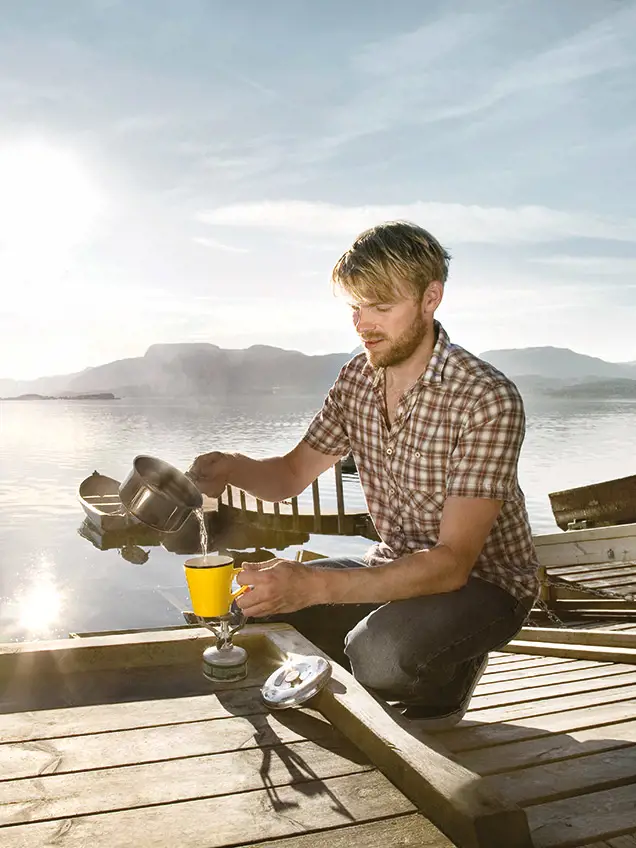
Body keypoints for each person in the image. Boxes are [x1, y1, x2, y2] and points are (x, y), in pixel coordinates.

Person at [189, 220, 539, 728]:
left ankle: (448, 674)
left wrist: (315, 585)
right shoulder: (357, 378)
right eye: (355, 306)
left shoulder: (486, 398)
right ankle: (403, 648)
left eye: (380, 306)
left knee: (377, 651)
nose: (363, 323)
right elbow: (289, 475)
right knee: (261, 604)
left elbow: (451, 566)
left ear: (430, 297)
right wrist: (229, 468)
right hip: (393, 564)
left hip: (485, 585)